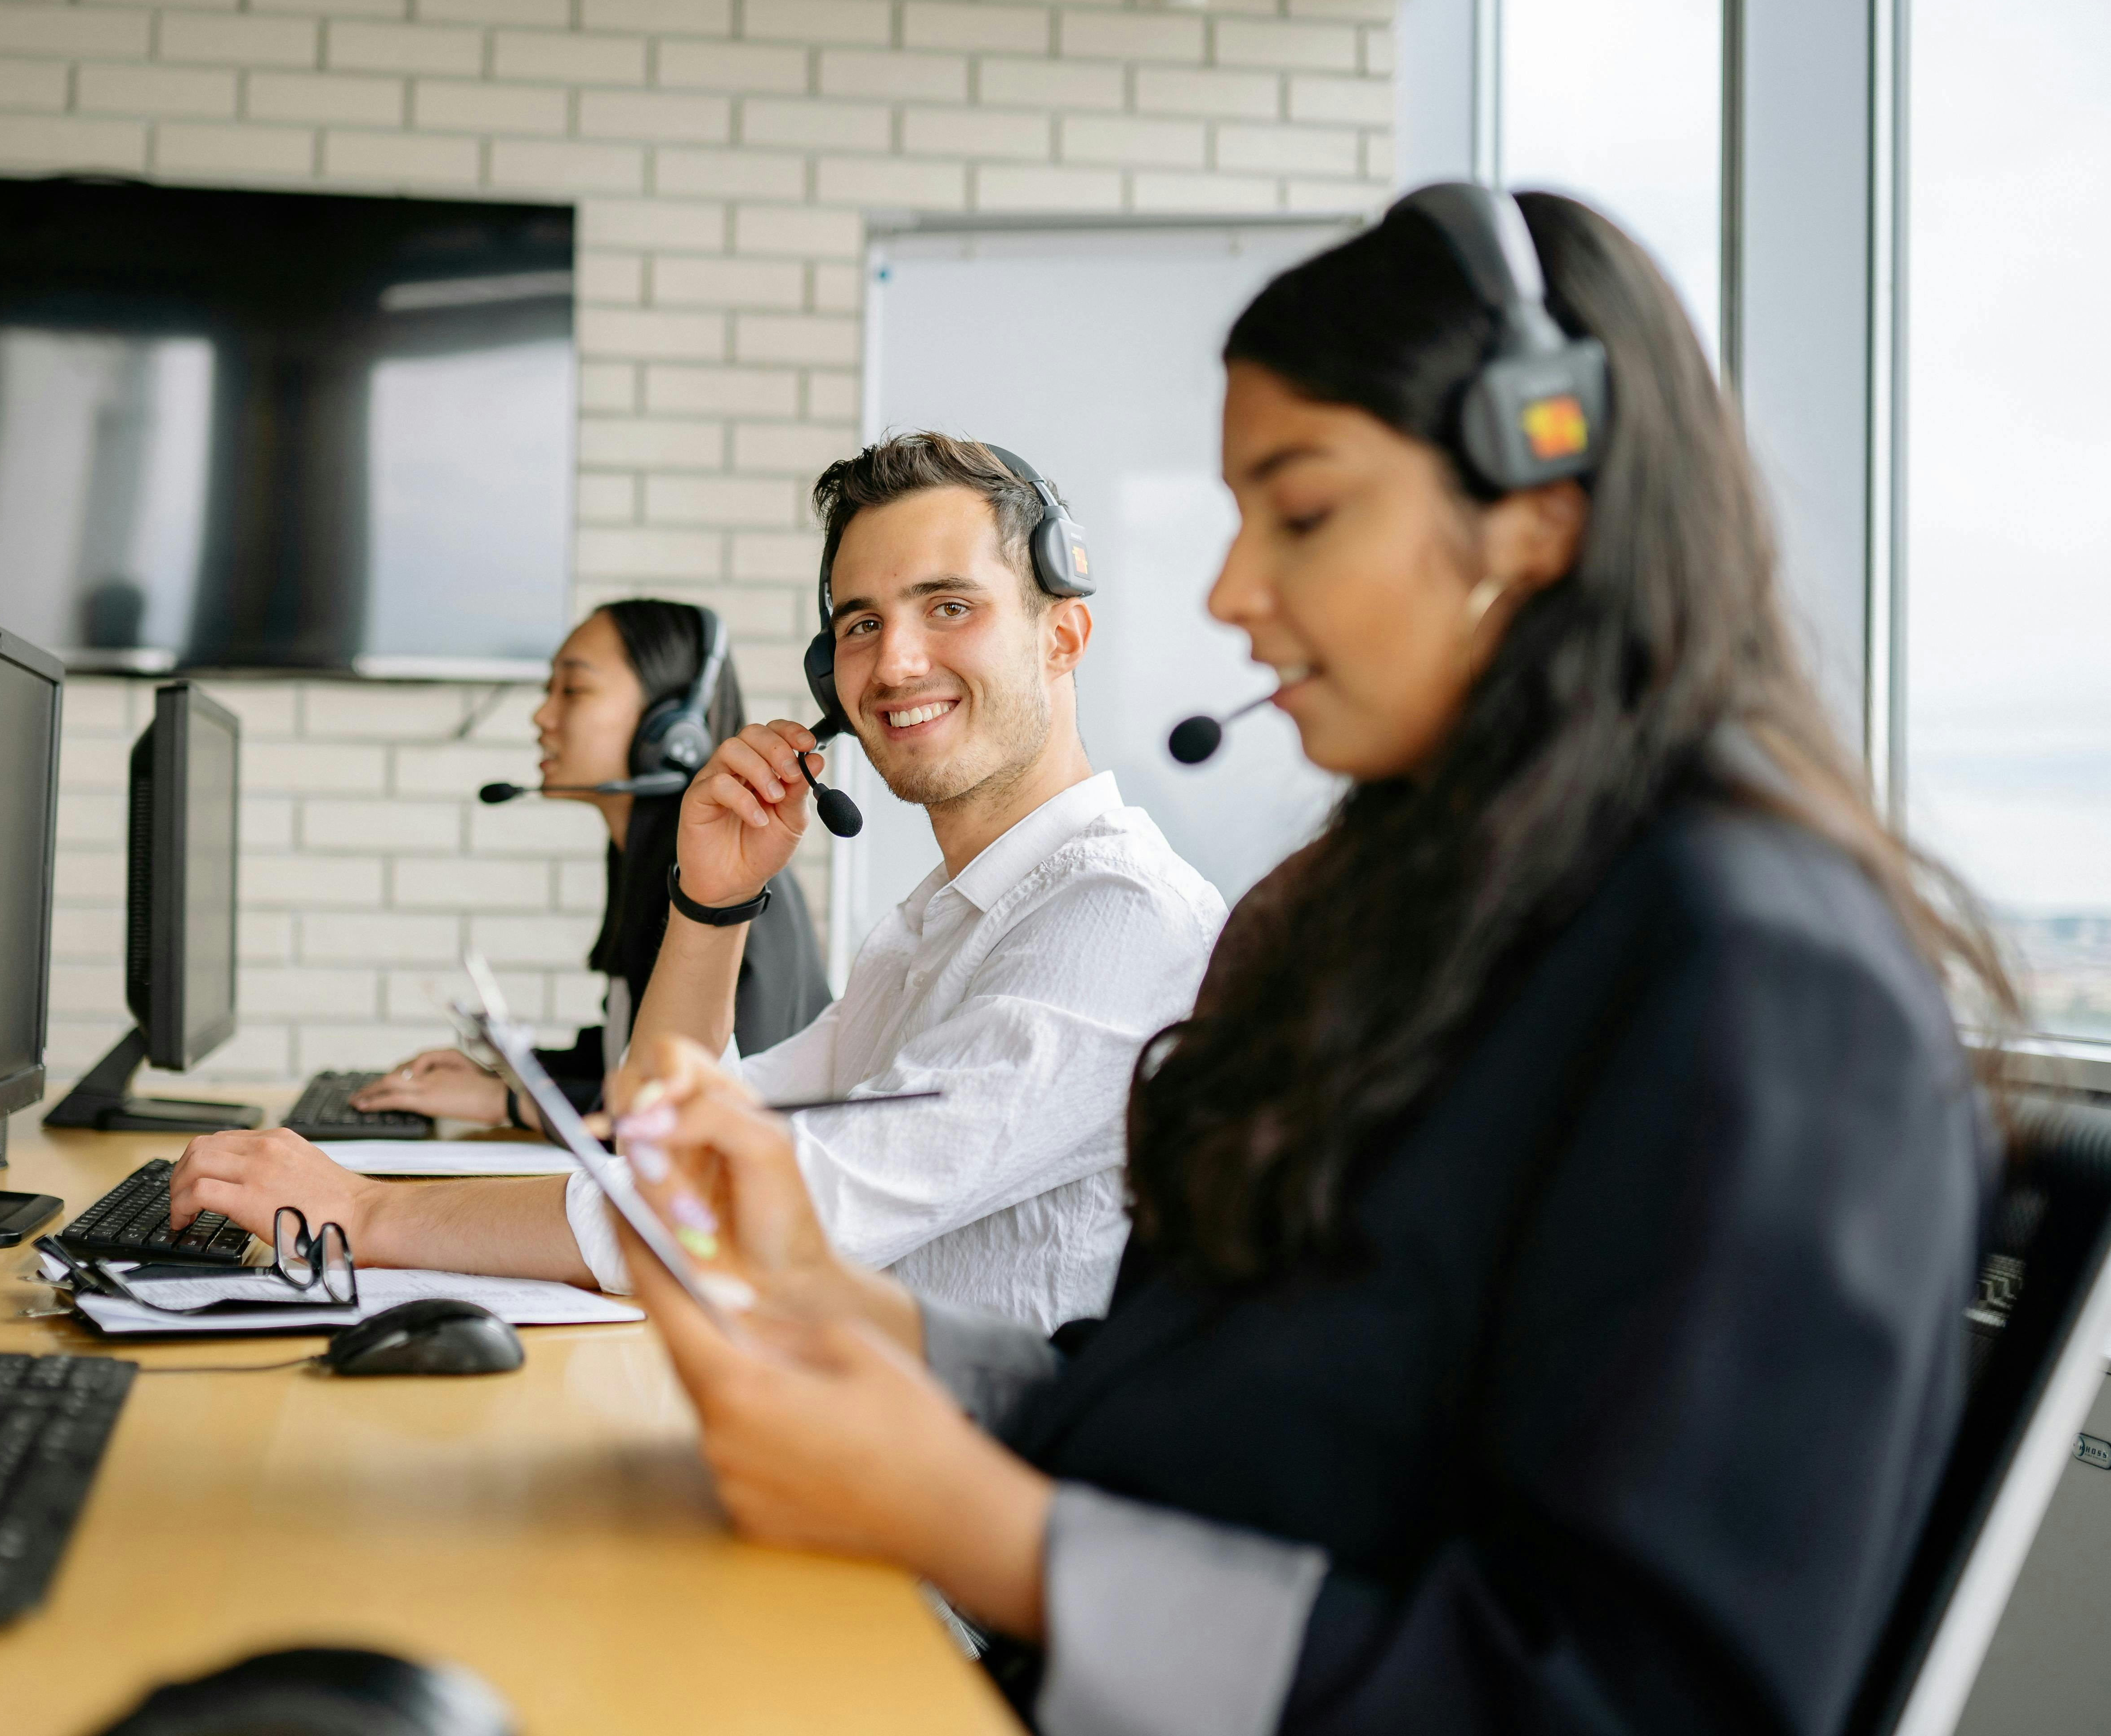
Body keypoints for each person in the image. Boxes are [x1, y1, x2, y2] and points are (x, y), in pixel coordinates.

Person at [598, 187, 2010, 1736]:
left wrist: (992, 1539)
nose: (1228, 594)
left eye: (1307, 512)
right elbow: (1215, 1420)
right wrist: (855, 1315)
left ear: (1543, 492)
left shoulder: (1758, 986)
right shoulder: (1400, 926)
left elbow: (1630, 1701)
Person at [173, 434, 1228, 1329]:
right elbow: (661, 1141)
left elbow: (733, 1216)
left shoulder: (1113, 922)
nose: (895, 661)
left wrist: (365, 1214)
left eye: (948, 605)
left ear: (1064, 635)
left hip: (933, 1557)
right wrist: (710, 900)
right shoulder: (940, 927)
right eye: (860, 623)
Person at [346, 600, 828, 1126]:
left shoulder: (722, 881)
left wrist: (505, 1103)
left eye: (572, 691)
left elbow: (702, 1103)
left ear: (669, 730)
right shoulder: (647, 853)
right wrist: (510, 1071)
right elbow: (634, 1046)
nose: (542, 716)